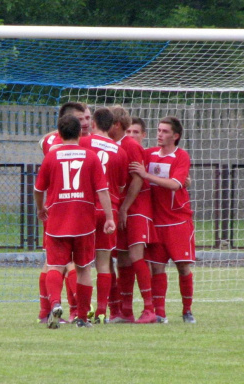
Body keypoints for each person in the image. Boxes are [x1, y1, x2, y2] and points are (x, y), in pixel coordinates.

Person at [34, 114, 116, 329]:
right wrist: (109, 217)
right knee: (83, 269)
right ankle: (81, 317)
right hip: (84, 222)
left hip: (57, 221)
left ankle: (55, 304)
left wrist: (40, 208)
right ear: (80, 132)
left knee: (54, 265)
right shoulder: (90, 157)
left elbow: (38, 189)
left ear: (59, 134)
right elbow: (102, 190)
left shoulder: (51, 156)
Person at [129, 116, 196, 324]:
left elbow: (175, 184)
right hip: (156, 222)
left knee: (183, 267)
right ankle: (160, 313)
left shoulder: (181, 156)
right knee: (157, 268)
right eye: (158, 130)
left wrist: (146, 175)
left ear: (175, 136)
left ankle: (187, 311)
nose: (160, 134)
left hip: (178, 222)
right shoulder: (149, 154)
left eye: (165, 131)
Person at [37, 102, 92, 323]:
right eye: (81, 119)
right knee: (73, 265)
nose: (86, 123)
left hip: (52, 210)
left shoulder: (50, 141)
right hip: (74, 210)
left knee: (51, 263)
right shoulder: (85, 146)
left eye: (88, 118)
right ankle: (76, 312)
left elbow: (42, 140)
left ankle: (46, 312)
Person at [108, 107, 158, 324]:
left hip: (136, 208)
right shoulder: (112, 145)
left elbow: (138, 179)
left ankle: (150, 309)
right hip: (121, 208)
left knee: (137, 254)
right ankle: (125, 311)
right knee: (123, 258)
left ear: (116, 124)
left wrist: (125, 207)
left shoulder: (130, 145)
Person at [79, 107, 128, 324]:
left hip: (86, 208)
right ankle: (101, 311)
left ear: (94, 124)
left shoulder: (83, 143)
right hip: (110, 210)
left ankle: (79, 310)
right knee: (103, 263)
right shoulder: (120, 152)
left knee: (81, 264)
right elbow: (120, 184)